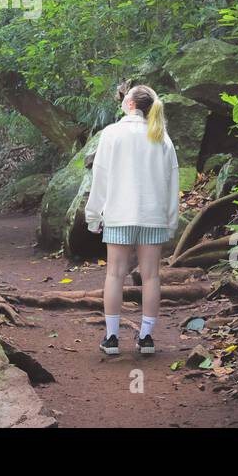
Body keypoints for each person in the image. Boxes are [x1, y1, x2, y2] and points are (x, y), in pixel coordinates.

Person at [84, 84, 179, 355]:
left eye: (125, 97)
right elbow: (172, 182)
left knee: (115, 274)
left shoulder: (112, 134)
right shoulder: (162, 137)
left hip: (119, 214)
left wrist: (93, 214)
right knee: (151, 277)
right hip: (153, 217)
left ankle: (112, 339)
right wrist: (171, 221)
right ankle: (146, 339)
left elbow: (100, 177)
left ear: (131, 105)